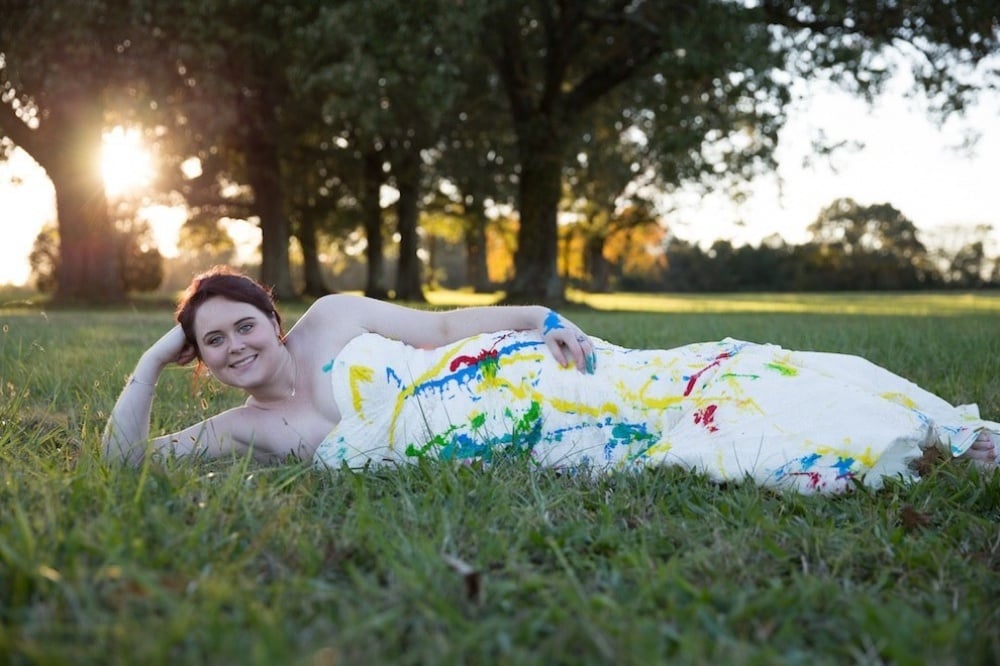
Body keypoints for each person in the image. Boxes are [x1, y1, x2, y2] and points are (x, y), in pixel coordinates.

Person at [103, 266, 999, 494]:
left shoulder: (336, 316)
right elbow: (124, 463)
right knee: (685, 432)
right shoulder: (246, 431)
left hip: (524, 375)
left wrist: (540, 319)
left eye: (240, 325)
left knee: (710, 376)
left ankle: (954, 433)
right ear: (200, 362)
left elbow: (447, 327)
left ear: (270, 313)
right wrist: (148, 362)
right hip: (525, 440)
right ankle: (923, 443)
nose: (232, 348)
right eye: (208, 343)